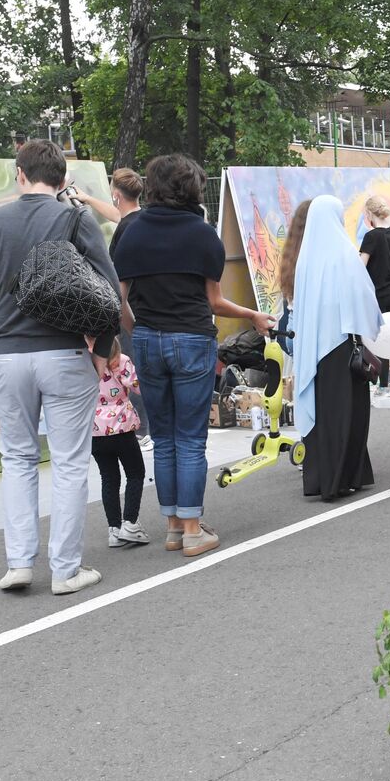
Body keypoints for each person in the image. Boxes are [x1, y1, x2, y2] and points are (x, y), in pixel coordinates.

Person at [0, 138, 120, 595]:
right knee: (70, 462)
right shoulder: (75, 217)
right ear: (61, 179)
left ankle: (18, 564)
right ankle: (66, 570)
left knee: (16, 459)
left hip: (10, 356)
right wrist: (103, 350)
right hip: (66, 355)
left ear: (19, 174)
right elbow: (109, 290)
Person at [114, 154, 272, 557]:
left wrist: (141, 332)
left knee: (163, 437)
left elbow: (120, 302)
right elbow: (214, 301)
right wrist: (252, 314)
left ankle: (171, 527)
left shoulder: (131, 232)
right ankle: (192, 530)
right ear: (192, 189)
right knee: (190, 439)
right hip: (191, 341)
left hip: (148, 340)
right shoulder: (202, 235)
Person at [278, 196, 383, 501]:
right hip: (343, 346)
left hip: (315, 351)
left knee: (326, 414)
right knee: (350, 414)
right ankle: (346, 477)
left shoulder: (305, 261)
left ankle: (323, 478)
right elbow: (364, 297)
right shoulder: (344, 255)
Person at [81, 168, 153, 448]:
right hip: (139, 307)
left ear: (116, 195)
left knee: (127, 367)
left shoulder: (127, 228)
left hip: (127, 310)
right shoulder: (140, 219)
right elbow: (118, 215)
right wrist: (86, 198)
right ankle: (144, 427)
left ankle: (142, 429)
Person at [92, 338, 149, 548]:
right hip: (122, 427)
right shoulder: (121, 360)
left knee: (108, 478)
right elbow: (138, 387)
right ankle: (131, 523)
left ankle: (114, 530)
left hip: (94, 430)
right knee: (135, 473)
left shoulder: (85, 360)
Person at [359, 195, 390, 393]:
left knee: (379, 337)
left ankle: (382, 383)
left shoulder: (371, 237)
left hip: (377, 293)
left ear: (370, 214)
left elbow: (361, 266)